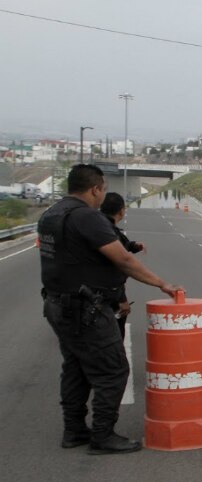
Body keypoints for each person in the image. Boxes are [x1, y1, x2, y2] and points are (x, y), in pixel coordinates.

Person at [38, 164, 183, 454]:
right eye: (102, 189)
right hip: (85, 309)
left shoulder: (51, 214)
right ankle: (102, 436)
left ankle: (74, 430)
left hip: (56, 304)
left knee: (76, 368)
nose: (103, 195)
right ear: (95, 189)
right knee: (114, 371)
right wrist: (162, 284)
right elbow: (123, 260)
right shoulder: (87, 217)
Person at [100, 192, 145, 338]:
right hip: (106, 297)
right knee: (114, 336)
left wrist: (134, 246)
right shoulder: (107, 231)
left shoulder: (99, 227)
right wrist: (121, 300)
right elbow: (115, 269)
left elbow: (121, 245)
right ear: (121, 211)